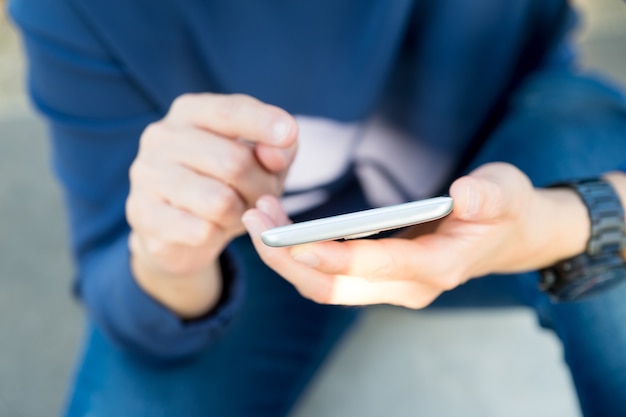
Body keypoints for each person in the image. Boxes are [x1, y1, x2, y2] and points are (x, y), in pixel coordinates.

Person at [6, 0, 626, 416]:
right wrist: (172, 255)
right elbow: (118, 277)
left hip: (518, 152)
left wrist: (561, 222)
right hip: (259, 243)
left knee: (583, 146)